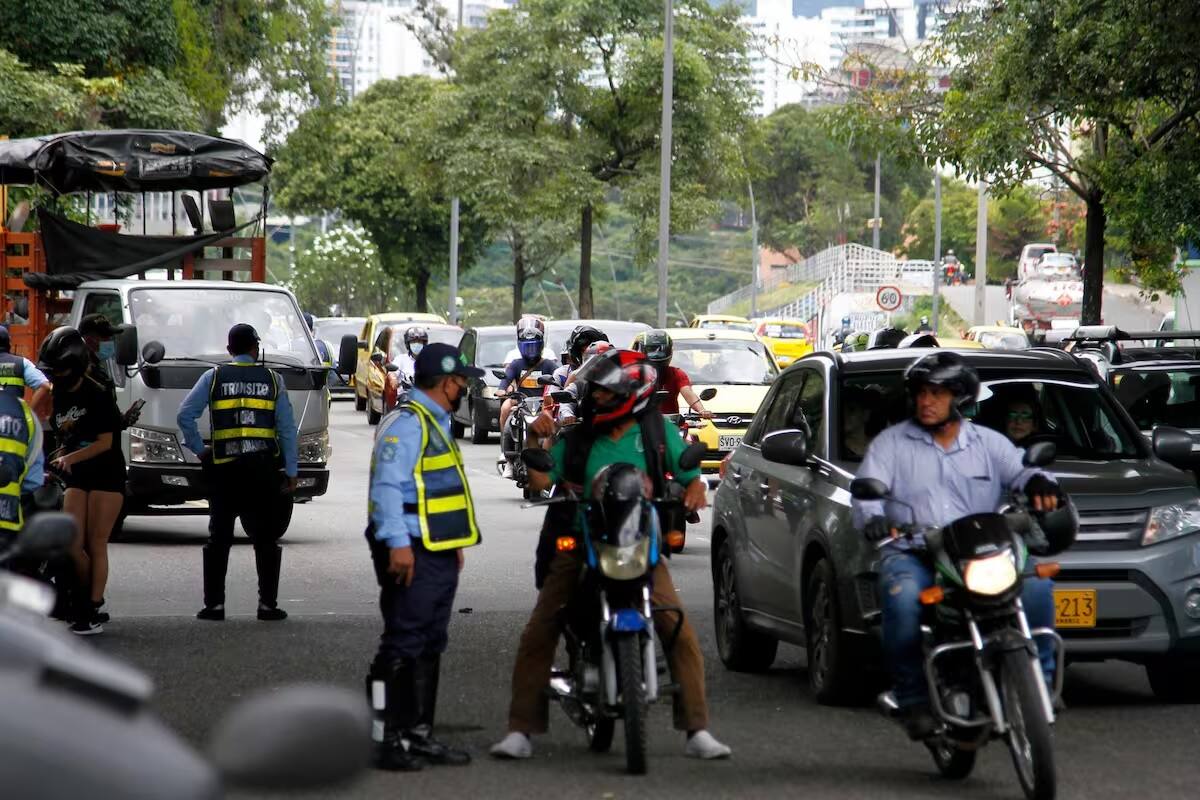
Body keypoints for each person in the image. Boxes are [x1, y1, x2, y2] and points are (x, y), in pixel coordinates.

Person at [490, 349, 731, 762]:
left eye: (603, 392)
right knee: (541, 626)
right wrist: (535, 438)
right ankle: (521, 729)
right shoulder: (577, 438)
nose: (593, 398)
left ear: (629, 394)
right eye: (593, 391)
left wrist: (695, 491)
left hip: (640, 545)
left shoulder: (657, 432)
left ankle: (696, 729)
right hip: (583, 540)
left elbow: (690, 475)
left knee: (677, 628)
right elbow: (540, 479)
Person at [852, 351, 1064, 740]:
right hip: (917, 550)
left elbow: (1022, 471)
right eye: (920, 392)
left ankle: (1042, 685)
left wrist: (1039, 483)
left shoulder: (989, 443)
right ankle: (912, 699)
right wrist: (875, 520)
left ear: (960, 398)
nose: (925, 401)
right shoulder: (891, 445)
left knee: (1036, 588)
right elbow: (867, 498)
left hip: (982, 548)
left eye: (937, 393)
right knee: (902, 600)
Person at [365, 342, 482, 772]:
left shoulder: (436, 421)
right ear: (448, 382)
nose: (465, 389)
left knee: (429, 642)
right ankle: (384, 738)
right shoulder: (408, 424)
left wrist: (452, 546)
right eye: (462, 382)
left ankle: (417, 735)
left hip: (435, 550)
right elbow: (387, 488)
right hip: (410, 549)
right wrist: (398, 545)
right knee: (402, 641)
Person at [177, 324, 299, 623]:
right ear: (255, 349)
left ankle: (214, 606)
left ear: (230, 349)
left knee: (219, 538)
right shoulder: (273, 379)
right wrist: (292, 471)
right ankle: (267, 605)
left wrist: (200, 450)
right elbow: (286, 429)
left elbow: (185, 415)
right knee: (266, 539)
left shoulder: (213, 377)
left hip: (224, 470)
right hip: (262, 471)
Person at [38, 327, 126, 635]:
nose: (54, 376)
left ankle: (90, 606)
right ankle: (84, 597)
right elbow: (65, 435)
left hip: (107, 473)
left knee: (96, 541)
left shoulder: (97, 393)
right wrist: (55, 456)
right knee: (72, 543)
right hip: (77, 475)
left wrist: (69, 459)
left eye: (58, 370)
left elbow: (105, 443)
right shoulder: (59, 394)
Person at [498, 317, 558, 478]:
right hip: (520, 402)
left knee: (556, 426)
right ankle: (508, 459)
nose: (531, 351)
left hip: (543, 404)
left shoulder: (549, 365)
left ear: (540, 346)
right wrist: (502, 389)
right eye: (527, 347)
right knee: (506, 413)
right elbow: (506, 378)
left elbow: (560, 378)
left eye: (534, 347)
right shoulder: (516, 364)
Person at [78, 313, 142, 428]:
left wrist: (123, 420)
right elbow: (89, 423)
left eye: (110, 337)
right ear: (90, 340)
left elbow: (104, 416)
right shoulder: (83, 375)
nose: (110, 341)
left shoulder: (99, 370)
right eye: (105, 337)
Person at [633, 329, 714, 418]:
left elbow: (688, 393)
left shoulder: (676, 374)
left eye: (661, 350)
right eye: (651, 350)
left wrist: (702, 410)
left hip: (671, 425)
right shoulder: (633, 375)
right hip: (640, 424)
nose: (656, 354)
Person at [0, 324, 51, 418]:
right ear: (9, 343)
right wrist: (28, 416)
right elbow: (45, 387)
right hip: (14, 426)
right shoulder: (21, 363)